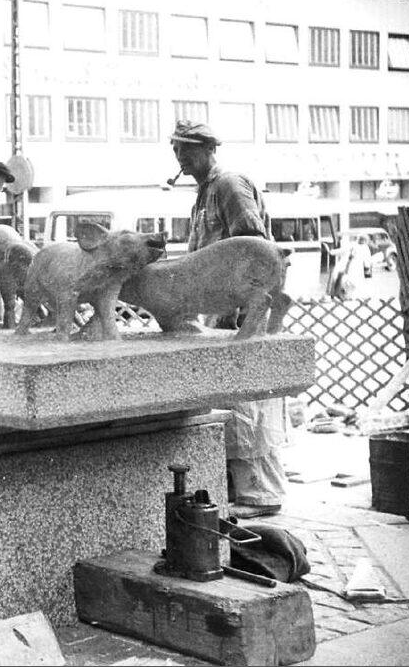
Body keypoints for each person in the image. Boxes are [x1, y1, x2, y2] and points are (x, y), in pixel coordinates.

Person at [170, 119, 286, 519]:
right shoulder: (204, 193)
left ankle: (261, 493)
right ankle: (243, 486)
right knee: (231, 401)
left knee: (247, 402)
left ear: (208, 149)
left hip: (242, 310)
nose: (180, 157)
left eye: (187, 149)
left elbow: (253, 248)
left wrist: (249, 310)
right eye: (176, 150)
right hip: (221, 310)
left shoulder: (229, 185)